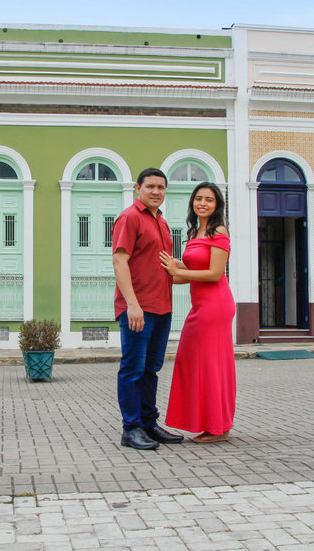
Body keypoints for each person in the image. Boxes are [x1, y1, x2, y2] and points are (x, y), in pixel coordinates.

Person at [112, 168, 185, 450]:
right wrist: (132, 304)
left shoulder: (162, 222)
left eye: (161, 187)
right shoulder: (130, 217)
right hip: (137, 308)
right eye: (151, 186)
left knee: (151, 369)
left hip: (162, 307)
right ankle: (131, 429)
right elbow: (120, 261)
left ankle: (148, 424)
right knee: (132, 369)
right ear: (138, 188)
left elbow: (166, 263)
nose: (156, 191)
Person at [159, 182, 236, 443]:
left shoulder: (219, 231)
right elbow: (190, 276)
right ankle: (210, 423)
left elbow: (214, 274)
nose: (203, 203)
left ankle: (218, 428)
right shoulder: (194, 233)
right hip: (200, 305)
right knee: (193, 362)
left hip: (215, 306)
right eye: (199, 198)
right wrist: (168, 272)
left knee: (211, 365)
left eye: (209, 200)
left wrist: (178, 271)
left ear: (217, 205)